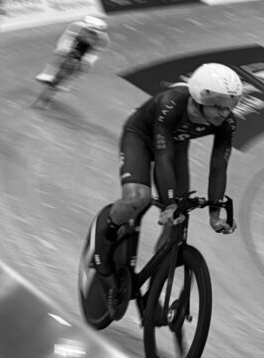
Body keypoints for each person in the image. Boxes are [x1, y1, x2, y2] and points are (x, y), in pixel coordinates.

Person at [90, 62, 243, 279]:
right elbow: (163, 156)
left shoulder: (226, 122)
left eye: (230, 107)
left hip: (176, 145)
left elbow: (219, 165)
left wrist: (215, 213)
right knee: (137, 198)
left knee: (177, 222)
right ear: (200, 99)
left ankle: (154, 287)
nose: (224, 114)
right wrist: (169, 203)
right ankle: (108, 231)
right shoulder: (171, 102)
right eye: (218, 107)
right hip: (140, 138)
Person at [35, 14, 110, 87]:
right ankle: (47, 74)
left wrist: (87, 61)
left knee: (85, 65)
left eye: (94, 32)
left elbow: (95, 52)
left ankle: (68, 83)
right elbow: (66, 40)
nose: (91, 34)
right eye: (89, 31)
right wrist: (64, 49)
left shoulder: (103, 39)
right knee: (60, 53)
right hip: (75, 39)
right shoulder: (76, 26)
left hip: (93, 46)